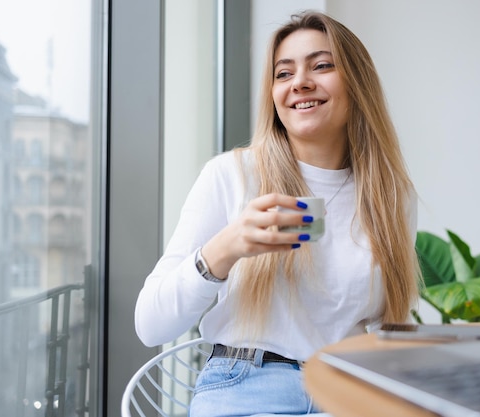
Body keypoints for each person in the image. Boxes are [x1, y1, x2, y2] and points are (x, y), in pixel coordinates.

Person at [135, 10, 422, 417]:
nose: (300, 82)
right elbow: (150, 325)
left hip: (347, 391)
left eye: (322, 66)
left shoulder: (391, 197)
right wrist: (225, 249)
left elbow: (386, 327)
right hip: (244, 387)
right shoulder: (231, 176)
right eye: (283, 73)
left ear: (358, 84)